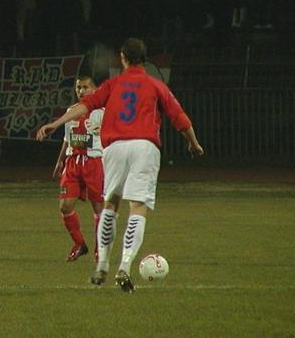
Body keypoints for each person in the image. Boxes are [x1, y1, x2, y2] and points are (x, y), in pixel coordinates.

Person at [36, 38, 203, 292]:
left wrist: (55, 124)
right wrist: (194, 143)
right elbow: (179, 117)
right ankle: (124, 266)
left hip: (114, 148)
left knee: (110, 204)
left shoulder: (112, 85)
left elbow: (85, 105)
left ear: (123, 58)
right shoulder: (156, 85)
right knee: (137, 207)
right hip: (144, 146)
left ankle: (102, 263)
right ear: (144, 59)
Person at [46, 75, 104, 263]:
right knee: (65, 206)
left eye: (86, 87)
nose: (81, 91)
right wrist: (59, 161)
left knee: (98, 208)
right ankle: (80, 244)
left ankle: (100, 250)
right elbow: (67, 139)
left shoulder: (102, 112)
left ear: (94, 89)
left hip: (94, 162)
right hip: (72, 163)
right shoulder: (71, 111)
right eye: (79, 87)